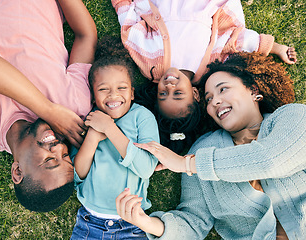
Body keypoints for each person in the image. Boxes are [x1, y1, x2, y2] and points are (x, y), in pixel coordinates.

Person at [116, 52, 306, 239]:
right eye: (208, 99)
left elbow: (269, 160)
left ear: (253, 90)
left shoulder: (293, 117)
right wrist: (149, 224)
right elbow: (194, 221)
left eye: (223, 89)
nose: (214, 101)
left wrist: (187, 165)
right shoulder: (202, 150)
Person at [0, 0, 97, 212]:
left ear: (17, 172)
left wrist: (48, 110)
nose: (59, 147)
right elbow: (86, 36)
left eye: (49, 160)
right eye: (65, 157)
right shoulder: (72, 108)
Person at [112, 0, 297, 154]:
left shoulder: (149, 65)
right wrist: (275, 48)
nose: (168, 86)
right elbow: (237, 41)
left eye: (162, 94)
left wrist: (121, 4)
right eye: (178, 94)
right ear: (196, 94)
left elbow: (130, 33)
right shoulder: (212, 66)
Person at [70, 37, 159, 239]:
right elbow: (76, 174)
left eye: (122, 88)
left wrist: (110, 129)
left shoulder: (142, 117)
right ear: (93, 96)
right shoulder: (88, 119)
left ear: (132, 93)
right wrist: (92, 137)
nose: (113, 95)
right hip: (89, 224)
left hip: (133, 223)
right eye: (103, 89)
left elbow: (146, 169)